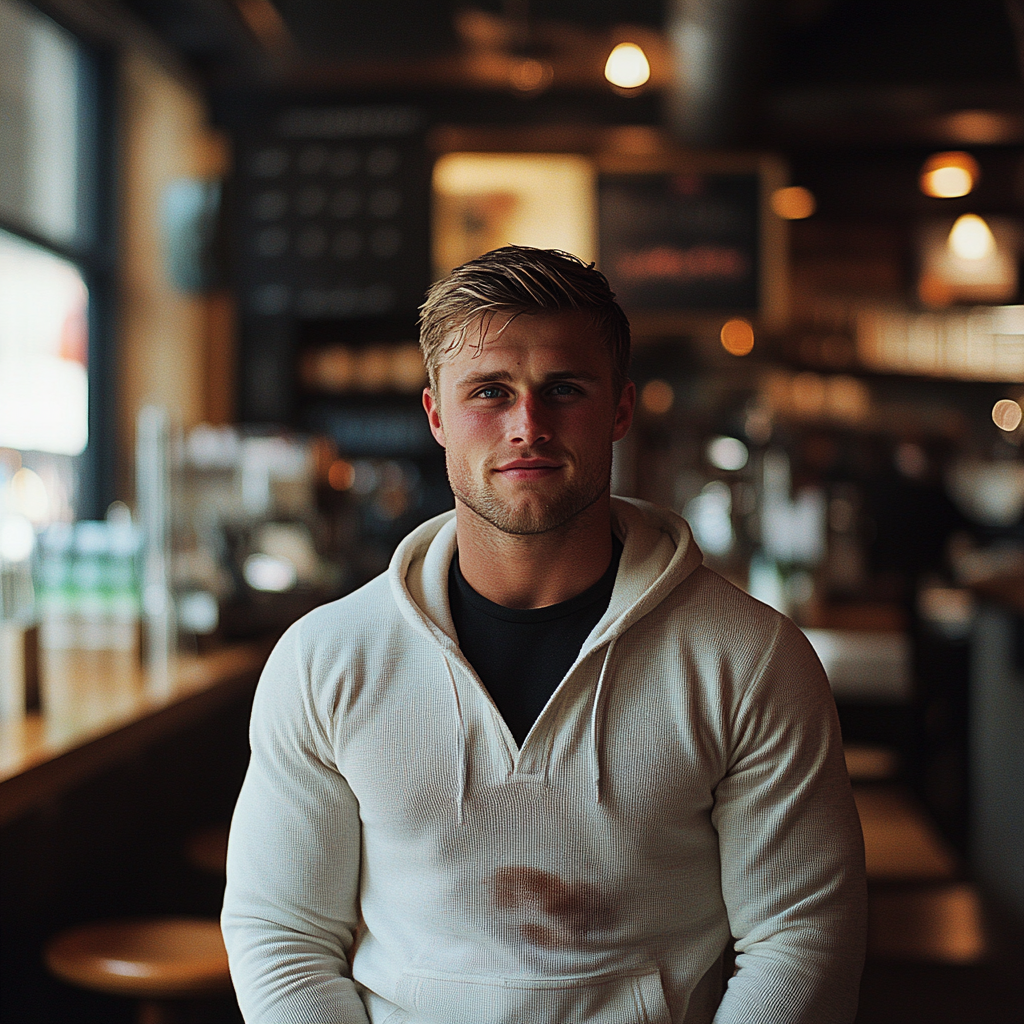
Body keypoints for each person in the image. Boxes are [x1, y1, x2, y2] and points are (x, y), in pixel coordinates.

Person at [222, 246, 867, 1024]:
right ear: (435, 415)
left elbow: (801, 940)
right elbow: (282, 935)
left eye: (564, 389)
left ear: (620, 409)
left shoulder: (751, 659)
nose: (527, 425)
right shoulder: (325, 659)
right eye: (489, 392)